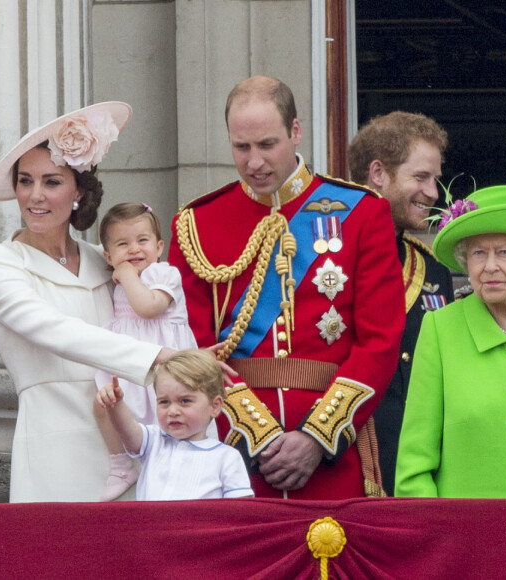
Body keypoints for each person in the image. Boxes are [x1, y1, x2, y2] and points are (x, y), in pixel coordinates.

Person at [168, 75, 405, 500]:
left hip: (334, 454)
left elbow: (380, 342)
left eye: (267, 144)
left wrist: (317, 438)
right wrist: (257, 437)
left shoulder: (363, 214)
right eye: (242, 148)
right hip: (232, 456)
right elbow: (192, 350)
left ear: (296, 132)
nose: (254, 162)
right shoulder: (197, 225)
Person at [0, 103, 184, 502]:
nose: (35, 195)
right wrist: (157, 356)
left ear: (79, 191)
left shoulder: (103, 260)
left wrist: (189, 357)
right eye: (25, 181)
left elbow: (157, 315)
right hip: (55, 455)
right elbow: (59, 332)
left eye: (51, 181)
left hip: (130, 449)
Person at [395, 185, 506, 498]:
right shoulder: (441, 329)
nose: (490, 266)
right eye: (479, 253)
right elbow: (414, 466)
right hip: (467, 537)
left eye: (505, 252)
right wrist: (437, 538)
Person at [347, 111, 455, 495]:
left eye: (435, 180)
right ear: (378, 173)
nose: (433, 193)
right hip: (348, 464)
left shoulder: (433, 272)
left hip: (417, 473)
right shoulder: (328, 260)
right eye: (420, 178)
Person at [94, 202, 198, 501]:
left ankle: (177, 473)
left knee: (168, 416)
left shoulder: (164, 275)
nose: (134, 250)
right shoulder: (119, 283)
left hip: (163, 366)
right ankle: (120, 465)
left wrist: (125, 275)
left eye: (143, 240)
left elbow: (148, 308)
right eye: (122, 244)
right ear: (107, 255)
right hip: (129, 363)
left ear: (159, 246)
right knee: (103, 406)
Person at [96, 349, 254, 500]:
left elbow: (240, 510)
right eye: (164, 402)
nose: (172, 411)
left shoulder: (227, 457)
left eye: (185, 401)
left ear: (215, 406)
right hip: (153, 528)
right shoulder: (154, 441)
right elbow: (126, 429)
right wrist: (115, 404)